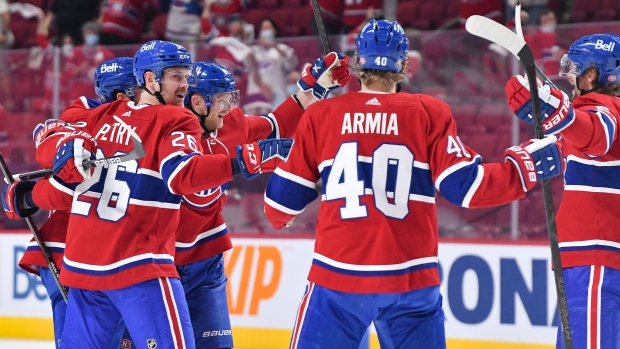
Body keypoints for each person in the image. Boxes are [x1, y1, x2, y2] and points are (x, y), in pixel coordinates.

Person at [262, 19, 564, 349]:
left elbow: (279, 207)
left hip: (337, 279)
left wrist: (312, 102)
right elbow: (468, 187)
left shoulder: (322, 115)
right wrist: (527, 167)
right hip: (410, 280)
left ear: (358, 61)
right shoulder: (429, 112)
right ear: (405, 64)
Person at [1, 40, 290, 349]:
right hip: (140, 268)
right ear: (150, 80)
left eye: (185, 76)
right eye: (176, 76)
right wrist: (243, 161)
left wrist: (26, 194)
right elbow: (184, 175)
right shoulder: (176, 119)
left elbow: (65, 175)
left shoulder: (102, 117)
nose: (184, 86)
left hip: (85, 271)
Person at [171, 55, 349, 348]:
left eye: (230, 99)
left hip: (206, 261)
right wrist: (242, 161)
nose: (229, 107)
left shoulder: (230, 124)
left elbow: (277, 125)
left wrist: (318, 88)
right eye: (221, 100)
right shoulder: (169, 132)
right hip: (160, 263)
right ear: (197, 102)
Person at [505, 33, 620, 349]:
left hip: (597, 260)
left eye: (574, 68)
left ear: (592, 75)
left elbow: (597, 135)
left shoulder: (604, 107)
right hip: (600, 261)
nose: (569, 75)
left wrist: (563, 115)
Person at [16, 57, 140, 349]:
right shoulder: (90, 120)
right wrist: (32, 193)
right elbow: (63, 172)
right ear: (122, 96)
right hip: (72, 251)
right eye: (141, 86)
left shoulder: (144, 124)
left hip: (113, 253)